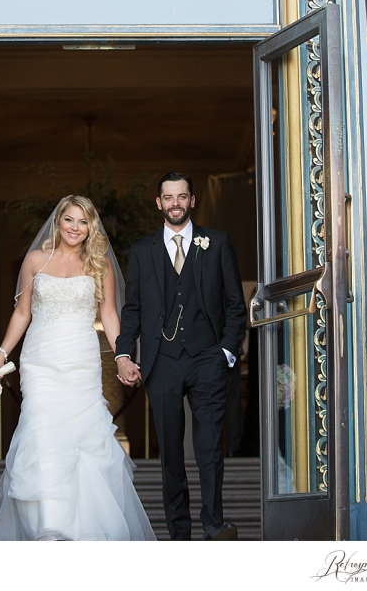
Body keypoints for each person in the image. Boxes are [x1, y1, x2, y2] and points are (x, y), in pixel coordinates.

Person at [0, 195, 156, 541]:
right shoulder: (35, 260)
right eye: (69, 220)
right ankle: (50, 527)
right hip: (40, 361)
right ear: (58, 222)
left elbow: (109, 314)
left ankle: (83, 530)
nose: (75, 228)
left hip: (80, 359)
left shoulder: (99, 265)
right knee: (42, 433)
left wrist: (123, 356)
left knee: (83, 439)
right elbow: (22, 313)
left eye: (83, 222)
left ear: (91, 226)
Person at [115, 172, 247, 541]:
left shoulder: (217, 243)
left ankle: (214, 525)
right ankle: (179, 532)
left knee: (209, 448)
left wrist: (225, 351)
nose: (175, 203)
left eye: (182, 196)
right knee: (170, 452)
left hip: (207, 357)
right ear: (158, 203)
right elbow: (134, 310)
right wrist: (124, 353)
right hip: (162, 361)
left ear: (192, 200)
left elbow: (236, 306)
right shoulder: (141, 251)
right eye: (168, 197)